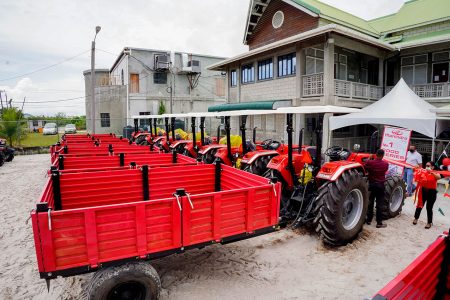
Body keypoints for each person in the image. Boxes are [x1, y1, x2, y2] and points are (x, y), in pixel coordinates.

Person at [364, 149, 389, 228]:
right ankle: (379, 223)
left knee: (370, 203)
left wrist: (369, 158)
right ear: (383, 155)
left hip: (372, 185)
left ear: (376, 154)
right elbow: (385, 170)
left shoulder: (370, 162)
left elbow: (365, 165)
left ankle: (368, 220)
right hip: (380, 185)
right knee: (379, 204)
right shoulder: (385, 164)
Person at [413, 162, 442, 229]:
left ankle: (429, 222)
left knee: (429, 208)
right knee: (420, 205)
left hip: (432, 192)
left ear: (432, 167)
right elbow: (415, 171)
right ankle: (416, 218)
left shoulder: (435, 172)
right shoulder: (423, 171)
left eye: (428, 166)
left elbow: (439, 177)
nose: (426, 167)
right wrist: (415, 167)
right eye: (426, 165)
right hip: (423, 191)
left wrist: (431, 172)